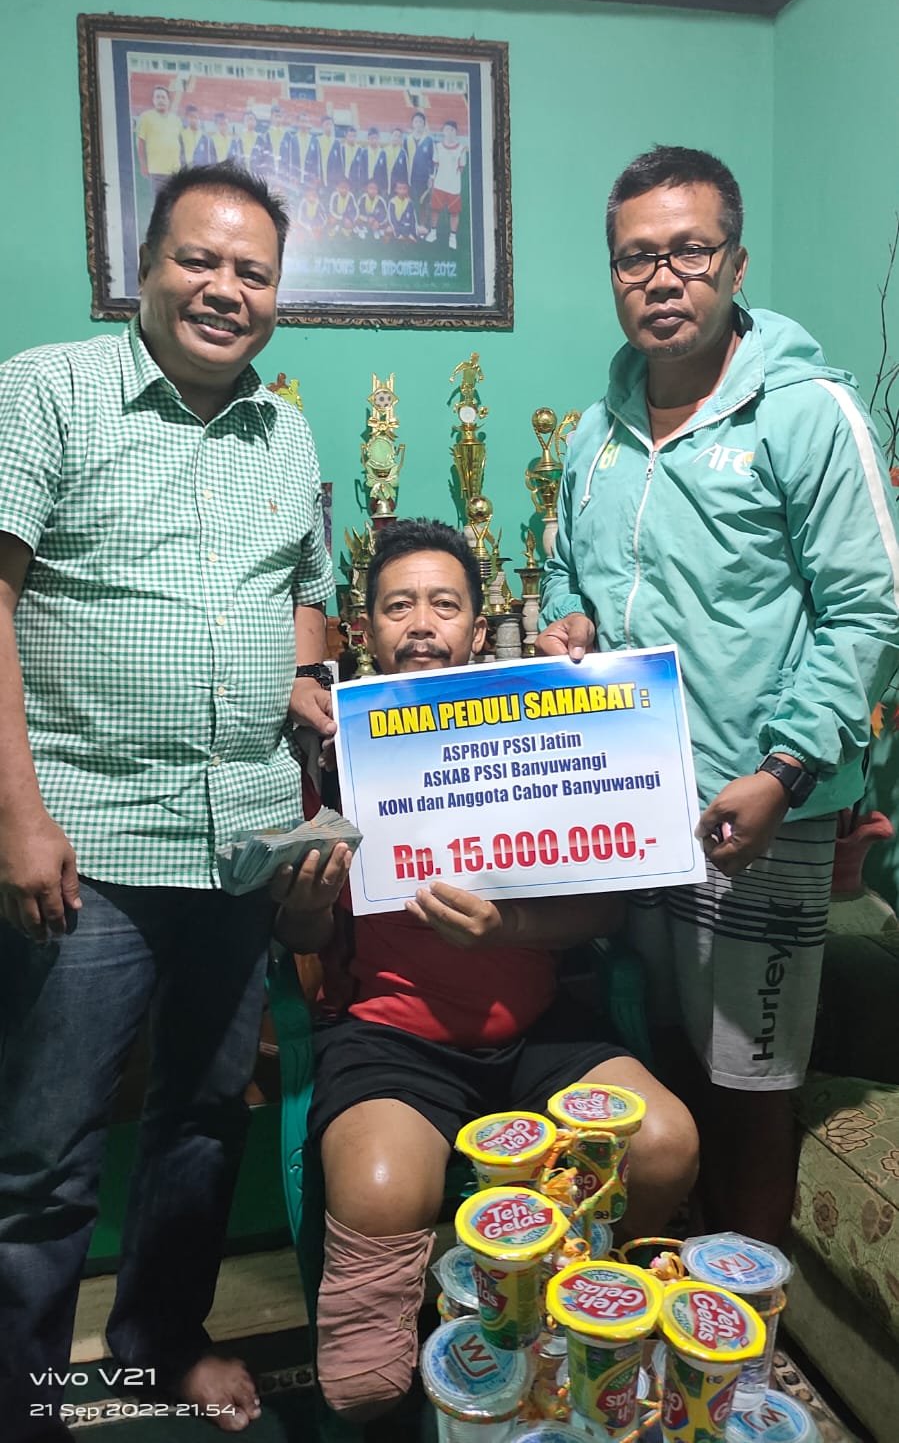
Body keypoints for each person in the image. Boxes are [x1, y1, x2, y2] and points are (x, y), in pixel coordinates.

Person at [0, 161, 337, 1440]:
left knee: (201, 1120)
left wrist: (302, 673)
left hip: (238, 844)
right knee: (44, 1159)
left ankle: (160, 1343)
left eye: (253, 272)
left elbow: (304, 590)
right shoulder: (47, 390)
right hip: (83, 846)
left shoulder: (284, 429)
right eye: (200, 260)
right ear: (140, 268)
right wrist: (16, 816)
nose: (224, 289)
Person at [537, 145, 899, 1245]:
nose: (661, 278)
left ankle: (745, 1325)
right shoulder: (594, 431)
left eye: (688, 251)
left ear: (735, 264)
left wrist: (784, 771)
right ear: (611, 273)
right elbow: (563, 567)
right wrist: (567, 616)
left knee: (749, 1082)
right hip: (626, 801)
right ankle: (660, 1287)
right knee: (652, 1056)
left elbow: (869, 611)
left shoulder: (808, 413)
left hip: (755, 807)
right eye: (634, 257)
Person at [273, 517, 699, 1425]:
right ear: (365, 628)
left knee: (664, 1141)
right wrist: (307, 902)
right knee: (365, 1362)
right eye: (399, 606)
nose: (422, 623)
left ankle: (583, 1323)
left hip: (536, 1031)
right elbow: (299, 930)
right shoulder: (329, 750)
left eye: (444, 604)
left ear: (476, 626)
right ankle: (411, 1389)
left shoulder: (540, 728)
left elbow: (605, 911)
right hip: (391, 1041)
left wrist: (509, 924)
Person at [425, 120, 467, 250]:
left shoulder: (461, 148)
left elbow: (462, 167)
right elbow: (435, 165)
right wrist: (432, 179)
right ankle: (433, 232)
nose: (449, 132)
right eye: (447, 129)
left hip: (454, 187)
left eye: (452, 130)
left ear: (455, 132)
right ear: (443, 131)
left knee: (454, 212)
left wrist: (452, 177)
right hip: (439, 185)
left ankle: (452, 236)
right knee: (435, 210)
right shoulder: (438, 147)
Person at [135, 83, 183, 194]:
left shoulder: (176, 120)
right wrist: (143, 164)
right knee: (160, 200)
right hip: (156, 170)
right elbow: (140, 142)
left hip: (175, 171)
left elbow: (180, 143)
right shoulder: (146, 117)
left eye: (163, 97)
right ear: (153, 100)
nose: (160, 100)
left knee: (174, 200)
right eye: (157, 97)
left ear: (168, 101)